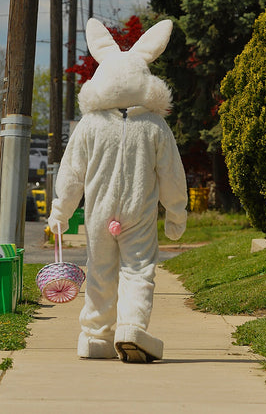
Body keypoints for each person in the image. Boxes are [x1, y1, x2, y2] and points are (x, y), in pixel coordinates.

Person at [48, 18, 187, 363]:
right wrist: (176, 210)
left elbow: (71, 173)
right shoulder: (155, 127)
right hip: (138, 212)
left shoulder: (90, 126)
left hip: (99, 212)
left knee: (100, 270)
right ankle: (131, 328)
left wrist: (60, 212)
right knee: (138, 270)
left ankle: (95, 337)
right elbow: (171, 174)